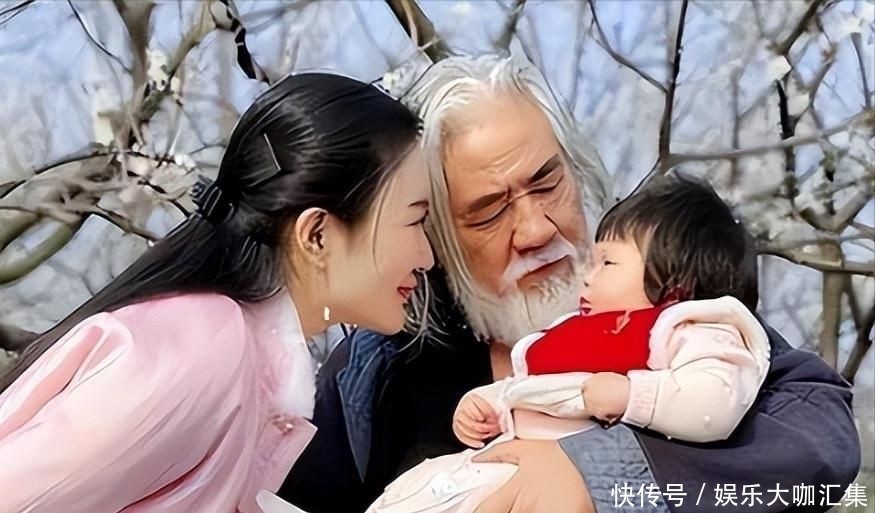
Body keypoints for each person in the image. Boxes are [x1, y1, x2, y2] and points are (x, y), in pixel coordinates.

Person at [280, 55, 860, 513]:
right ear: (435, 239)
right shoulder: (379, 369)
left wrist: (599, 476)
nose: (536, 230)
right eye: (488, 213)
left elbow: (816, 433)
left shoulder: (670, 305)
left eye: (547, 183)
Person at [0, 73, 434, 513]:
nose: (428, 256)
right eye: (416, 221)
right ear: (317, 234)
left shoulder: (247, 367)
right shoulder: (201, 351)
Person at [366, 177, 772, 513]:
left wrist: (634, 395)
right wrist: (487, 403)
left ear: (675, 284)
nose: (587, 276)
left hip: (561, 487)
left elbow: (715, 400)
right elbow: (535, 386)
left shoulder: (688, 328)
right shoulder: (577, 331)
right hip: (491, 465)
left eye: (607, 263)